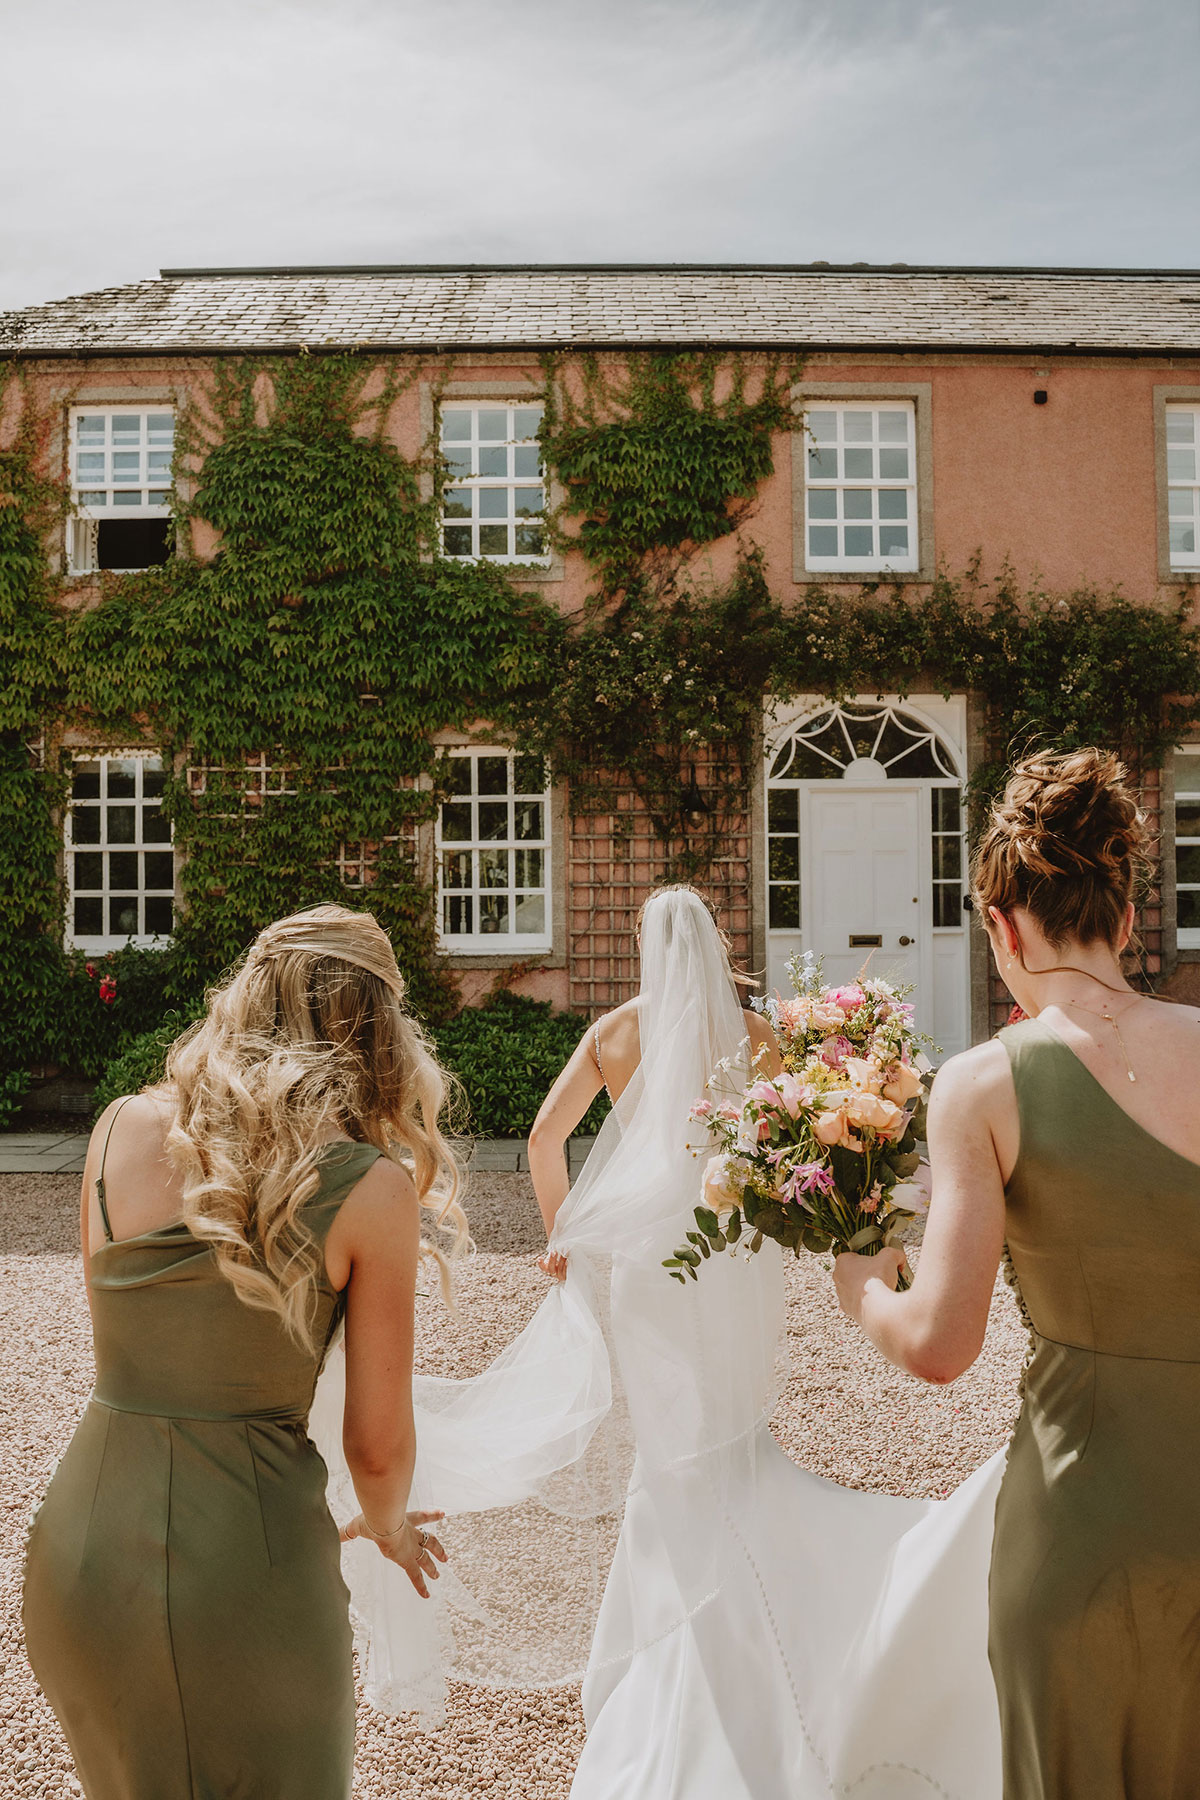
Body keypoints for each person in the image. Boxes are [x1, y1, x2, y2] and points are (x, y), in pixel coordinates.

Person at [325, 882, 1007, 1797]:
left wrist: (561, 1236)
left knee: (670, 1458)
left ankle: (667, 1661)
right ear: (713, 945)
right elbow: (811, 1140)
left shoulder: (614, 1033)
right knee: (734, 1435)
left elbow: (543, 1138)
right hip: (733, 1256)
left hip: (649, 1274)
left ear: (649, 949)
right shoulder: (763, 1037)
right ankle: (711, 1638)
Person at [23, 904, 465, 1800]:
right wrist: (389, 1528)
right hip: (245, 1565)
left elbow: (126, 1335)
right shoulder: (370, 1187)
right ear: (379, 1031)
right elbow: (377, 1448)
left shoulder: (114, 1128)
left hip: (81, 1548)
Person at [835, 747, 1200, 1798]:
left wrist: (861, 1283)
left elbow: (944, 1347)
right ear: (1127, 918)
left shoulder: (983, 1084)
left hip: (1079, 1535)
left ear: (1000, 927)